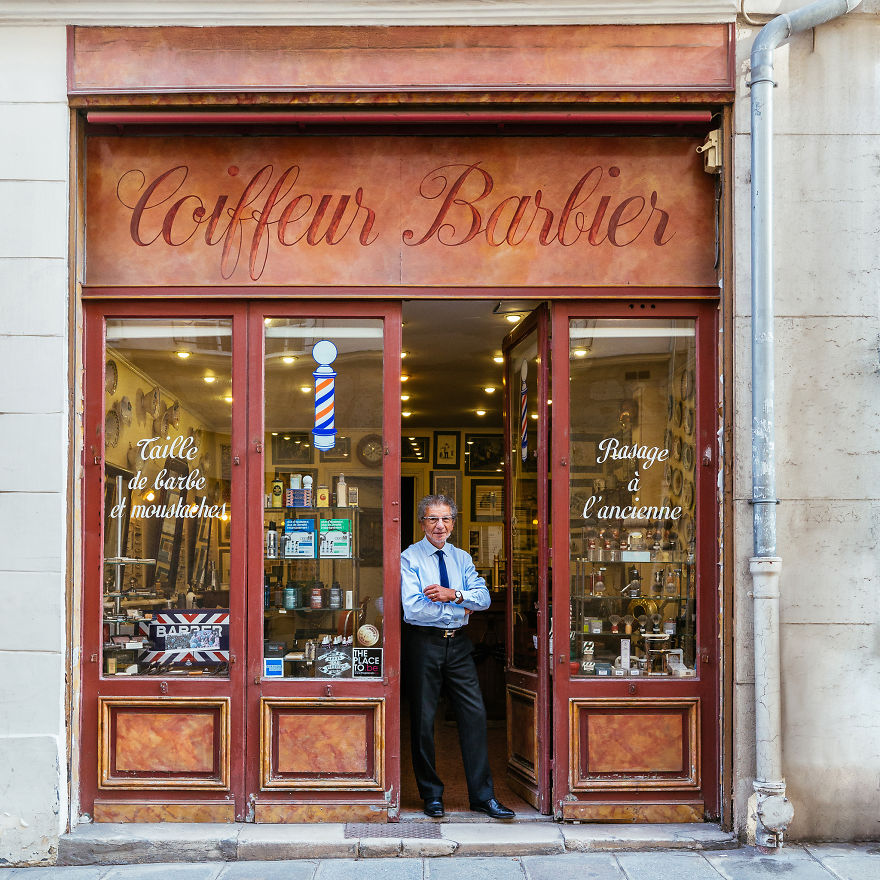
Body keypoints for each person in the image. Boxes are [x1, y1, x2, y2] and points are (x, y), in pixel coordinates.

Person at [400, 494, 515, 820]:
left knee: (474, 717)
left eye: (446, 519)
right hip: (424, 644)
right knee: (423, 721)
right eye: (433, 519)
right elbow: (414, 607)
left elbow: (483, 599)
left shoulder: (462, 558)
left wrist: (454, 594)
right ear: (423, 522)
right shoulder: (409, 559)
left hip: (460, 645)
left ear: (453, 523)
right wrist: (460, 604)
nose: (440, 526)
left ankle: (483, 796)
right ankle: (432, 796)